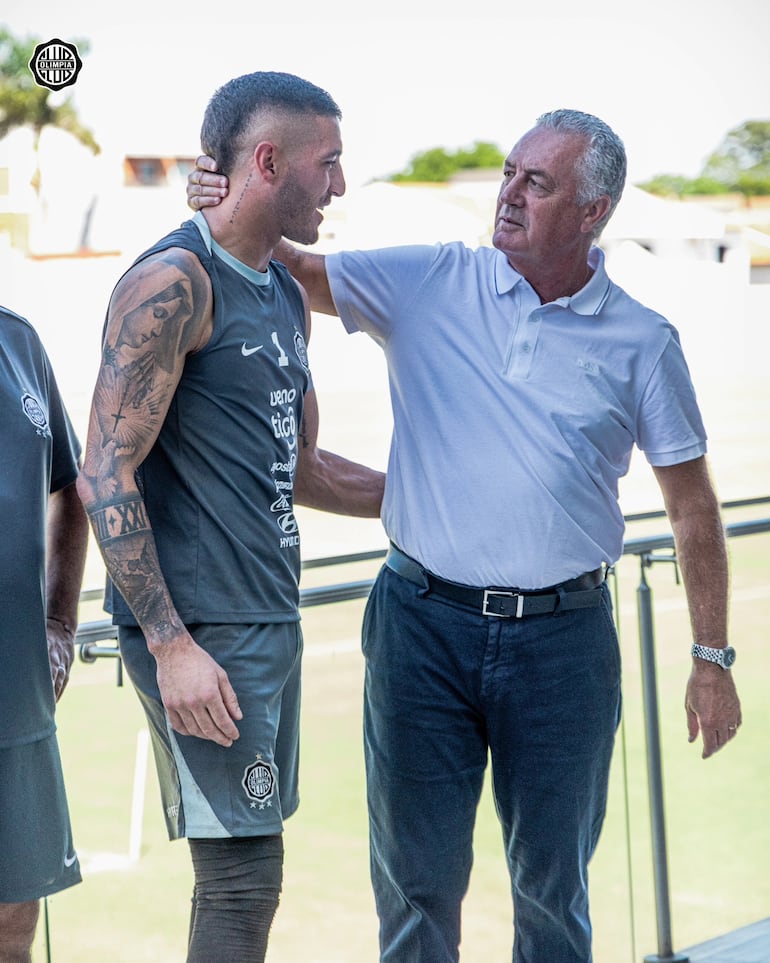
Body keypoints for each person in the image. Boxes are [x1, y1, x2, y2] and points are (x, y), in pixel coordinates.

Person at [187, 108, 742, 962]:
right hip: (420, 628)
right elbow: (289, 266)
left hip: (565, 647)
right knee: (415, 884)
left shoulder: (644, 342)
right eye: (511, 173)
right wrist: (223, 198)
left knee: (554, 890)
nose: (509, 194)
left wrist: (712, 657)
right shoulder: (432, 279)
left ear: (593, 213)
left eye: (538, 182)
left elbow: (694, 511)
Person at [76, 71, 384, 963]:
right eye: (328, 164)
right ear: (267, 161)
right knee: (243, 880)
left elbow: (304, 467)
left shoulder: (285, 295)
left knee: (254, 875)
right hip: (203, 633)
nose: (338, 185)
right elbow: (105, 468)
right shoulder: (174, 281)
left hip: (264, 621)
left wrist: (427, 501)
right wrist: (169, 643)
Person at [0, 305, 88, 961]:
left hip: (16, 698)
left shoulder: (19, 341)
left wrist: (60, 619)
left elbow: (74, 487)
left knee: (13, 926)